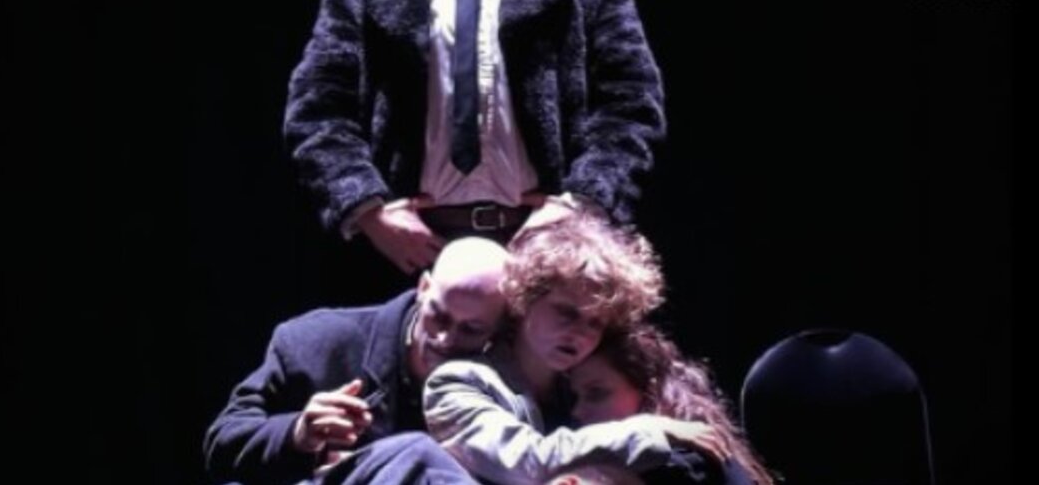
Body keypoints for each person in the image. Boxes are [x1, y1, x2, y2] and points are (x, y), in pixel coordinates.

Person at [283, 0, 667, 273]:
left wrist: (582, 204)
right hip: (407, 251)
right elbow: (318, 106)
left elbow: (631, 101)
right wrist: (367, 211)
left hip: (549, 249)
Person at [423, 214, 730, 485]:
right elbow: (528, 464)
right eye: (566, 313)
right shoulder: (457, 382)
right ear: (524, 299)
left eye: (595, 322)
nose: (581, 333)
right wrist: (649, 430)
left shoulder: (584, 384)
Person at [204, 237, 508, 484]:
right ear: (423, 288)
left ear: (500, 328)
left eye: (471, 330)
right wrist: (298, 434)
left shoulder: (512, 377)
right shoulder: (316, 343)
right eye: (438, 316)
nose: (445, 338)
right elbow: (223, 444)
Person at [568, 326, 776, 485]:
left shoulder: (676, 467)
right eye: (576, 397)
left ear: (648, 390)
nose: (577, 411)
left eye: (596, 393)